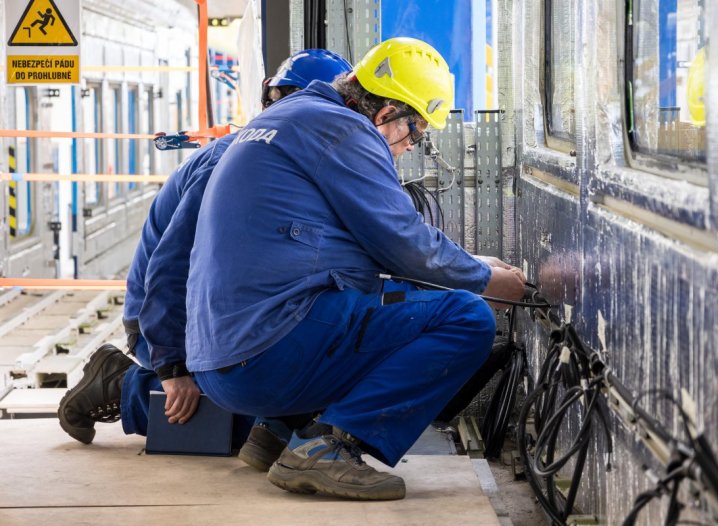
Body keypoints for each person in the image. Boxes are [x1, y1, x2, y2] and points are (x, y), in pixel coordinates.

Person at [183, 37, 527, 501]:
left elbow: (364, 250)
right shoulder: (344, 130)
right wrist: (486, 280)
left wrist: (468, 263)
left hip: (218, 362)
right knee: (465, 318)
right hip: (265, 355)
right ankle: (329, 450)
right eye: (416, 133)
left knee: (373, 300)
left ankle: (277, 432)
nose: (409, 147)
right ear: (387, 114)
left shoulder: (292, 117)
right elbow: (402, 241)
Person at [56, 50, 354, 460]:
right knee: (230, 420)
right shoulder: (234, 163)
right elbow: (171, 267)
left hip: (221, 311)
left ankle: (277, 421)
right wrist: (173, 367)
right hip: (165, 322)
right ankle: (123, 383)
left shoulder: (287, 162)